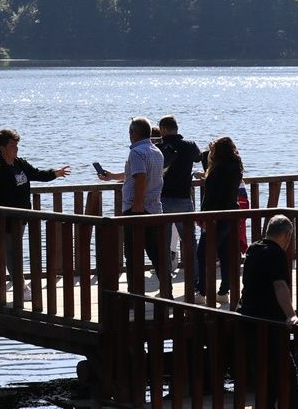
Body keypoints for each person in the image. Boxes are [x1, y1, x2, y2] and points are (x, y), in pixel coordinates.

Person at [0, 127, 71, 294]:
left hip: (21, 216)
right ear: (2, 148)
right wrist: (1, 214)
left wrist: (55, 173)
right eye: (12, 145)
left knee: (5, 250)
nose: (16, 148)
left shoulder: (20, 163)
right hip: (5, 218)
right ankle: (21, 287)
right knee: (12, 252)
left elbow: (36, 173)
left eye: (17, 144)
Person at [239, 214, 298, 409]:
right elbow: (280, 287)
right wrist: (291, 316)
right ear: (286, 235)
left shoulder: (253, 249)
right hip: (269, 321)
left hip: (248, 317)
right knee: (287, 372)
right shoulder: (276, 254)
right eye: (289, 238)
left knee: (265, 372)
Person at [99, 117, 165, 283]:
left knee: (133, 256)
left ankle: (134, 295)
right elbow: (136, 174)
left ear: (134, 133)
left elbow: (141, 178)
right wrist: (113, 177)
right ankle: (167, 292)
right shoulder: (156, 151)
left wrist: (136, 208)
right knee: (157, 254)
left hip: (137, 210)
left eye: (130, 131)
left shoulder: (136, 152)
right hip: (154, 209)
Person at [195, 135, 244, 301]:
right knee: (224, 253)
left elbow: (214, 194)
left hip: (215, 216)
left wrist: (208, 218)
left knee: (202, 254)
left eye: (214, 148)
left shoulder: (218, 169)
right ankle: (224, 291)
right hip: (231, 215)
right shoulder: (235, 166)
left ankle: (202, 292)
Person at [155, 115, 203, 273]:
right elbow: (199, 157)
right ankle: (196, 277)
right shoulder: (189, 145)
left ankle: (166, 278)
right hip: (184, 199)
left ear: (163, 129)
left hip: (164, 199)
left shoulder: (159, 147)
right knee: (190, 241)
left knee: (164, 242)